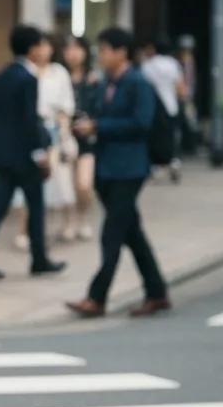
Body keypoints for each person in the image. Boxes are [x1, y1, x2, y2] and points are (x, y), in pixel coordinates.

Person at [67, 27, 170, 318]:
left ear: (121, 52)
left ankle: (96, 297)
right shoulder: (105, 83)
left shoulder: (138, 83)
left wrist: (99, 127)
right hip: (107, 167)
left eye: (105, 50)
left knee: (112, 233)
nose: (101, 56)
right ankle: (157, 291)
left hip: (130, 167)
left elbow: (141, 122)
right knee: (131, 232)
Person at [0, 24, 66, 280]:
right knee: (35, 207)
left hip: (3, 155)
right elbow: (29, 120)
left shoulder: (0, 77)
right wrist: (40, 154)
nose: (45, 50)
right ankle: (39, 259)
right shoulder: (28, 79)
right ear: (33, 48)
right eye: (42, 45)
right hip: (25, 156)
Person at [34, 35, 76, 241]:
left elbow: (66, 107)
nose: (41, 51)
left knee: (61, 180)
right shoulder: (28, 72)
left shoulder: (59, 73)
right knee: (36, 184)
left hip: (54, 131)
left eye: (45, 46)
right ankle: (34, 230)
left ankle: (69, 222)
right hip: (34, 131)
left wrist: (64, 133)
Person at [61, 34, 99, 241]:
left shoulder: (93, 78)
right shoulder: (58, 76)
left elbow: (99, 107)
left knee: (83, 184)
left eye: (77, 49)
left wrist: (92, 125)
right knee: (66, 185)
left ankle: (83, 218)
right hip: (64, 137)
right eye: (68, 49)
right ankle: (69, 222)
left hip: (86, 139)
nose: (73, 54)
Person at [140, 38, 186, 183]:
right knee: (171, 136)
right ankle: (173, 161)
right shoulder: (173, 64)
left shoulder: (148, 65)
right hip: (171, 105)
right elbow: (179, 86)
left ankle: (157, 166)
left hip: (153, 107)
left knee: (155, 138)